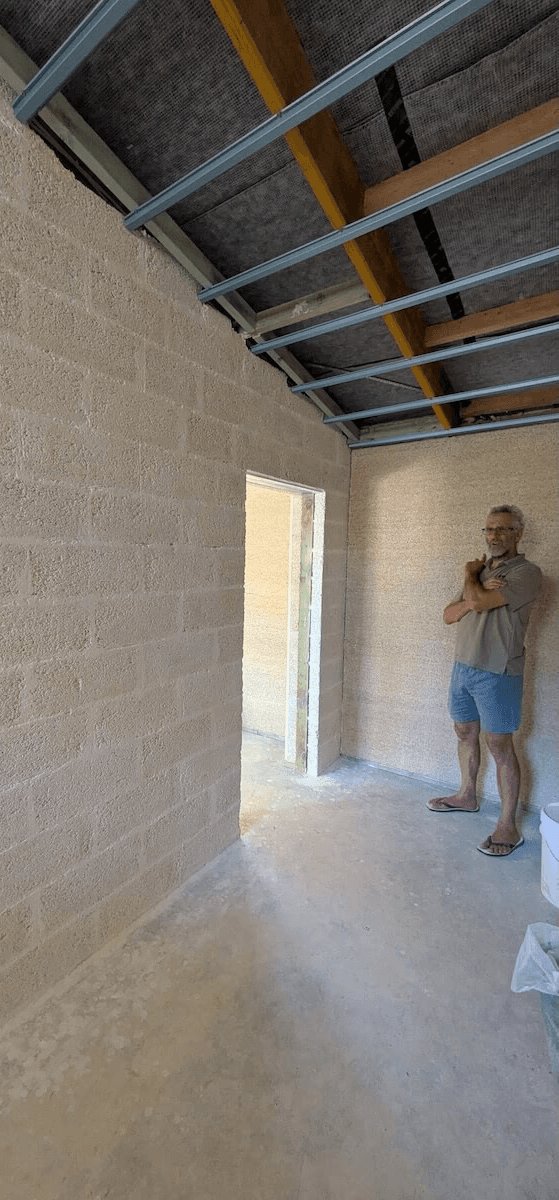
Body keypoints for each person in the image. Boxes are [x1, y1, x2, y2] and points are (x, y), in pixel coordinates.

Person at [428, 505, 542, 856]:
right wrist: (473, 584)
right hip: (462, 668)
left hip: (498, 672)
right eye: (489, 529)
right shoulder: (479, 573)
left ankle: (508, 827)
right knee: (464, 733)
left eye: (503, 529)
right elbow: (450, 615)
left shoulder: (527, 572)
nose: (494, 536)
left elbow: (477, 604)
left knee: (500, 745)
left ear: (518, 534)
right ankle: (467, 795)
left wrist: (468, 576)